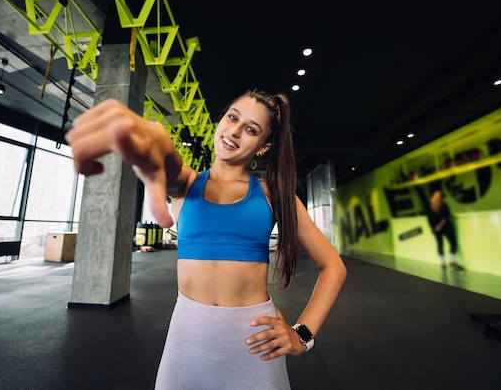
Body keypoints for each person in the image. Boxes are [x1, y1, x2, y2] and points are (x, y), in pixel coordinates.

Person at [65, 89, 347, 389]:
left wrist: (302, 335)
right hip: (186, 339)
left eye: (251, 129)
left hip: (255, 345)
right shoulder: (186, 183)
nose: (235, 131)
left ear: (263, 146)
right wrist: (159, 147)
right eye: (232, 117)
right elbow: (169, 165)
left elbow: (333, 266)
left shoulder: (273, 196)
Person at [426, 190, 462, 270]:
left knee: (439, 244)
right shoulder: (444, 206)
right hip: (446, 227)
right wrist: (440, 225)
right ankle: (451, 261)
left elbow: (429, 218)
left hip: (435, 229)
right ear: (442, 198)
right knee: (453, 243)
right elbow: (446, 217)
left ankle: (442, 263)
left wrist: (434, 227)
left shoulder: (429, 206)